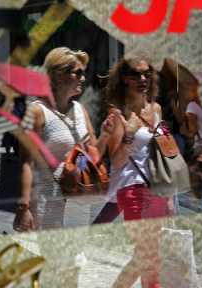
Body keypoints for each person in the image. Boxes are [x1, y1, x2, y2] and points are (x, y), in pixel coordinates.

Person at [15, 47, 113, 231]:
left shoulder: (80, 110)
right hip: (45, 201)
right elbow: (26, 163)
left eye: (83, 73)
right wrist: (23, 207)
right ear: (59, 75)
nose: (83, 78)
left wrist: (106, 134)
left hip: (78, 201)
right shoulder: (37, 112)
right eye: (78, 73)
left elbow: (94, 156)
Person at [105, 56, 172, 288]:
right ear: (125, 79)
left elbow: (167, 151)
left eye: (147, 73)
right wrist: (129, 134)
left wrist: (169, 194)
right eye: (136, 74)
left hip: (157, 188)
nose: (143, 79)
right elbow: (116, 161)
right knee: (148, 254)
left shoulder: (156, 109)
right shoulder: (118, 114)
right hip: (132, 189)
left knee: (147, 255)